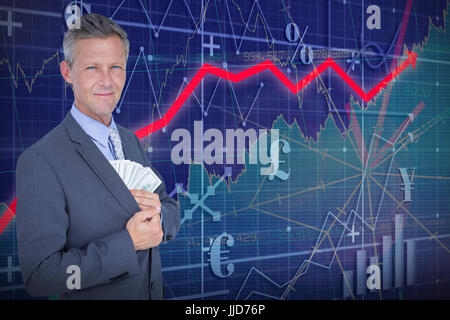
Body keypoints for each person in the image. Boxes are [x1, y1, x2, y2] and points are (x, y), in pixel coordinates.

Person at [15, 13, 180, 300]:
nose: (106, 81)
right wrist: (128, 244)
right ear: (67, 73)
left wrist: (161, 217)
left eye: (115, 67)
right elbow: (41, 276)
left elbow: (168, 207)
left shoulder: (130, 140)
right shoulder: (40, 161)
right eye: (92, 68)